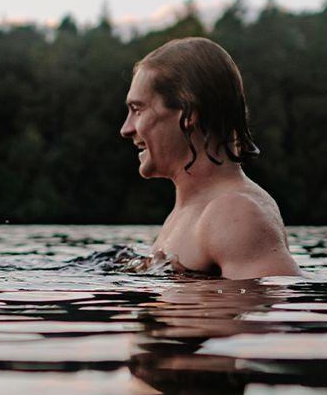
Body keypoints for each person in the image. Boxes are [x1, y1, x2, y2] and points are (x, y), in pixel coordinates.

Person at [120, 37, 299, 278]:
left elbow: (280, 305)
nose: (126, 129)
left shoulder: (234, 214)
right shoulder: (189, 212)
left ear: (188, 113)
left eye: (138, 110)